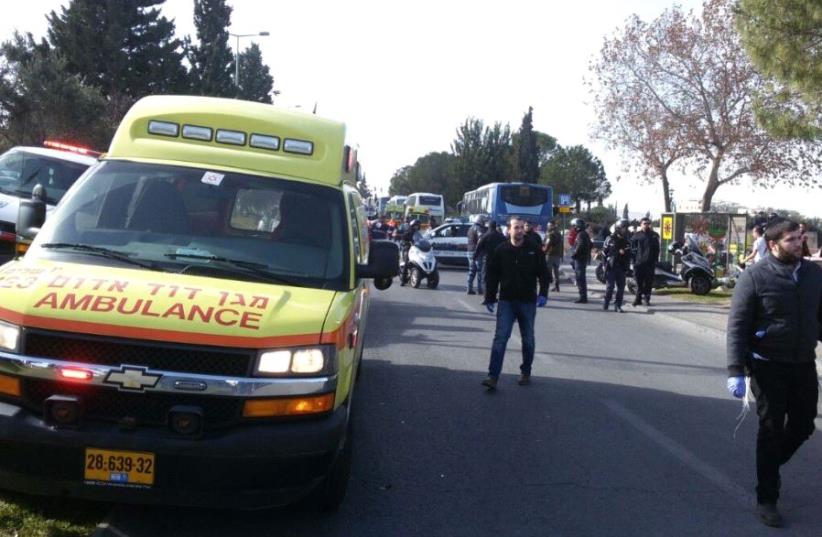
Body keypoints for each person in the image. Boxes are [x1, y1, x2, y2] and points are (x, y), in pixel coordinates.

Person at [726, 219, 822, 528]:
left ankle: (769, 466)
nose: (799, 243)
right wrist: (735, 369)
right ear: (773, 245)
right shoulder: (755, 276)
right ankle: (767, 497)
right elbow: (738, 325)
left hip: (803, 362)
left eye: (800, 237)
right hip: (767, 364)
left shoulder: (813, 274)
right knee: (770, 428)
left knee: (804, 424)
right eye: (792, 239)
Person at [481, 217, 549, 389]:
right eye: (515, 227)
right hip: (507, 301)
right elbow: (492, 275)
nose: (519, 230)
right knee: (500, 338)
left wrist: (543, 294)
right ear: (509, 230)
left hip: (527, 301)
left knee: (528, 339)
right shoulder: (501, 250)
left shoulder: (534, 249)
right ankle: (493, 376)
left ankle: (525, 371)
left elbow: (544, 273)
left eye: (521, 227)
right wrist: (489, 297)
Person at [602, 218, 631, 312]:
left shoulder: (627, 241)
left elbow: (630, 254)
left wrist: (625, 253)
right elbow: (604, 253)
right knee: (610, 287)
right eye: (624, 228)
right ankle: (606, 302)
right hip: (611, 266)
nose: (625, 230)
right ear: (618, 228)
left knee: (621, 287)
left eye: (626, 228)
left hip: (622, 267)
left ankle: (618, 305)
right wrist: (603, 265)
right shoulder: (610, 238)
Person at [631, 217, 660, 306]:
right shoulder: (636, 235)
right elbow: (632, 249)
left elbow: (657, 249)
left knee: (648, 282)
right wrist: (633, 261)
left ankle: (647, 299)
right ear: (641, 224)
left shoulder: (654, 235)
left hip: (649, 263)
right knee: (638, 282)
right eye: (644, 223)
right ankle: (638, 298)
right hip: (639, 263)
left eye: (648, 223)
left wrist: (655, 261)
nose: (646, 225)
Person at [475, 220, 505, 297]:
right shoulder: (501, 236)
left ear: (489, 226)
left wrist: (475, 257)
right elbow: (506, 246)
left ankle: (486, 296)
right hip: (499, 260)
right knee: (496, 279)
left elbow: (479, 247)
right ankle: (493, 295)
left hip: (487, 260)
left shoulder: (485, 236)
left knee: (485, 279)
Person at [570, 218, 592, 303]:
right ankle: (583, 296)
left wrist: (574, 254)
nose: (574, 227)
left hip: (579, 260)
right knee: (581, 278)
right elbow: (590, 245)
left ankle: (583, 297)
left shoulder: (580, 235)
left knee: (580, 278)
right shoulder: (584, 234)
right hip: (582, 259)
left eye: (575, 226)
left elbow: (580, 246)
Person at [466, 215, 487, 295]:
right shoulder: (479, 229)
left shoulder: (470, 228)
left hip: (469, 251)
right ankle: (479, 289)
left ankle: (469, 288)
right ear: (480, 221)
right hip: (477, 252)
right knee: (479, 271)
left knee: (471, 271)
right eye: (483, 221)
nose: (484, 223)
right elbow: (480, 240)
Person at [399, 219, 423, 286]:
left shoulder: (418, 233)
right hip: (407, 248)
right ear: (412, 226)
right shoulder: (409, 232)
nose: (416, 227)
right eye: (415, 226)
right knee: (407, 262)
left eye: (417, 226)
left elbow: (421, 240)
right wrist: (407, 242)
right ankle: (403, 281)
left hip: (415, 249)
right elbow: (403, 237)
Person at [544, 221, 563, 292]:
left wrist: (543, 252)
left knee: (548, 270)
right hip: (557, 255)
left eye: (549, 225)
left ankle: (547, 284)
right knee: (556, 271)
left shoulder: (550, 234)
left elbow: (548, 244)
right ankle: (557, 286)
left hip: (550, 254)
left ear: (553, 226)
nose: (548, 226)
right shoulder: (559, 233)